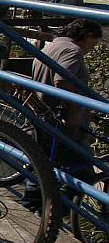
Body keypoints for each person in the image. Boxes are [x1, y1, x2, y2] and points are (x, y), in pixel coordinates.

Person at [23, 18, 104, 211]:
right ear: (86, 36)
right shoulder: (72, 50)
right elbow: (62, 81)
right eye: (94, 43)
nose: (92, 49)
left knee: (41, 166)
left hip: (43, 117)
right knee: (83, 171)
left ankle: (33, 207)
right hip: (61, 122)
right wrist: (77, 109)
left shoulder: (51, 46)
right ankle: (57, 212)